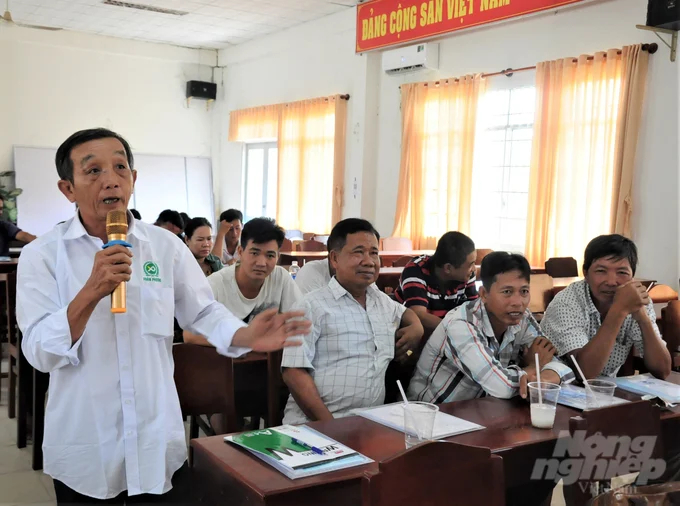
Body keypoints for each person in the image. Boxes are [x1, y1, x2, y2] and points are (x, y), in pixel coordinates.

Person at [16, 128, 309, 504]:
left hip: (156, 445)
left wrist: (244, 336)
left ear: (133, 179)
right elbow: (40, 352)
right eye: (93, 171)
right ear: (67, 189)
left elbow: (202, 311)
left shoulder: (164, 246)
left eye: (121, 167)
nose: (111, 179)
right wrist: (91, 291)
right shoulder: (42, 256)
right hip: (86, 448)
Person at [281, 218, 424, 425]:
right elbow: (293, 372)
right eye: (358, 252)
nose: (369, 261)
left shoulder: (382, 302)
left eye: (374, 253)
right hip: (315, 425)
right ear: (335, 259)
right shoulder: (310, 306)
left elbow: (405, 313)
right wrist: (331, 427)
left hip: (368, 424)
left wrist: (417, 327)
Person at [184, 217, 303, 432]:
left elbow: (296, 321)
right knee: (228, 416)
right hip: (223, 373)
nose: (262, 262)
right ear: (240, 251)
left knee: (295, 397)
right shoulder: (215, 284)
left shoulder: (282, 279)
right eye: (254, 252)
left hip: (266, 372)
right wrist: (244, 342)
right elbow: (189, 336)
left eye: (270, 255)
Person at [408, 251, 573, 404]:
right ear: (483, 294)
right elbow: (502, 387)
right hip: (430, 417)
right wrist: (531, 368)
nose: (517, 302)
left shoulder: (522, 318)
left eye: (524, 291)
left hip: (483, 413)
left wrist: (544, 380)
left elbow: (563, 367)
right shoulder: (462, 323)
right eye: (507, 292)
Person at [541, 234, 671, 379]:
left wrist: (643, 318)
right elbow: (584, 373)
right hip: (557, 389)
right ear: (586, 274)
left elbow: (663, 370)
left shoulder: (635, 299)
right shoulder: (566, 303)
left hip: (604, 392)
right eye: (601, 271)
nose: (611, 281)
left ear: (632, 277)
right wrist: (619, 310)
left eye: (622, 272)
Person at [395, 231, 478, 337]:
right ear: (448, 268)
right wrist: (457, 331)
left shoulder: (467, 275)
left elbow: (475, 310)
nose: (474, 269)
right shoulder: (415, 270)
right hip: (415, 335)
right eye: (471, 264)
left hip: (446, 334)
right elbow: (418, 314)